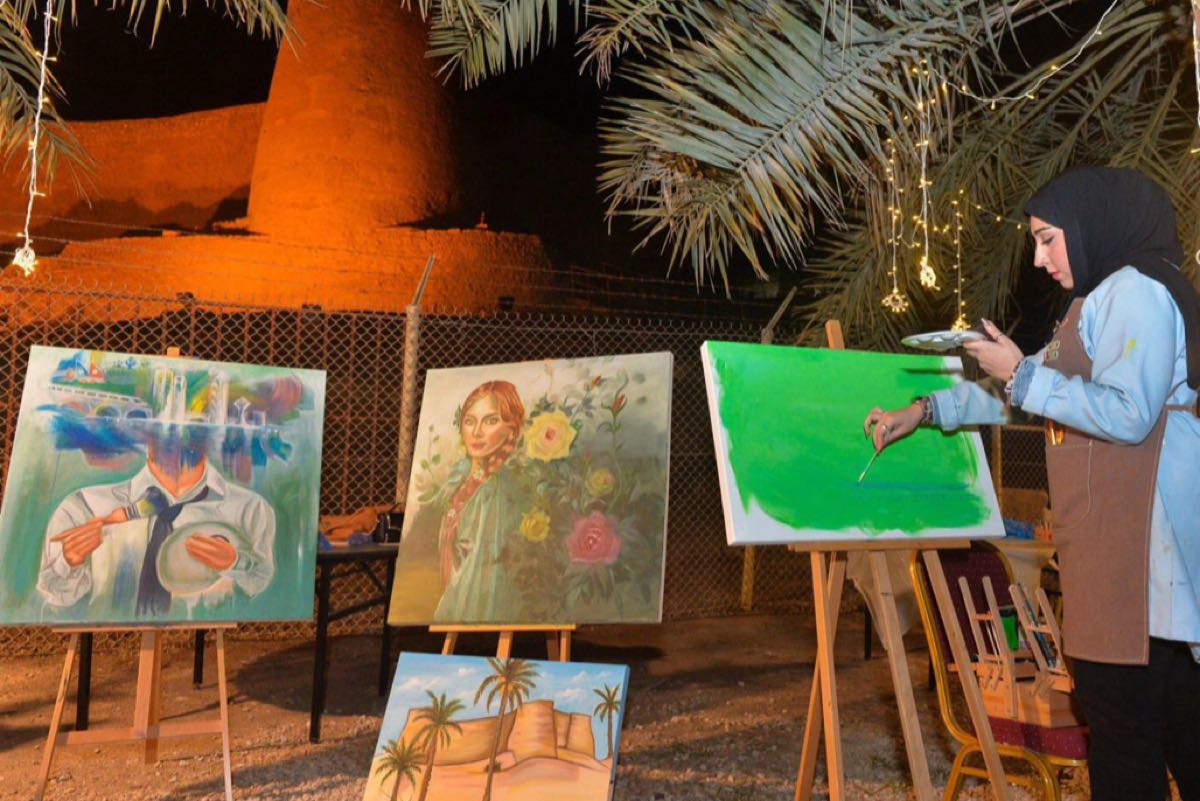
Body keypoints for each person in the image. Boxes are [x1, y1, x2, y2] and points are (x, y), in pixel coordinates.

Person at [864, 167, 1200, 801]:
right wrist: (927, 410)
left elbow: (1129, 412)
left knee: (1131, 745)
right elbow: (1025, 391)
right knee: (1169, 729)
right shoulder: (1097, 301)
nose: (1040, 259)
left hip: (1141, 568)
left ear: (1092, 224)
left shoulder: (1136, 291)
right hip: (1125, 566)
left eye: (1048, 239)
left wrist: (1020, 374)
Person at [38, 424, 276, 619]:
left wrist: (236, 562)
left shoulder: (249, 509)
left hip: (196, 640)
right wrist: (68, 562)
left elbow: (259, 582)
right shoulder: (83, 506)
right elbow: (54, 597)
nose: (178, 432)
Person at [432, 380, 528, 622]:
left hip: (476, 605)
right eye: (470, 421)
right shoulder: (459, 481)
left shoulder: (498, 492)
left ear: (511, 430)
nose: (476, 432)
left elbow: (485, 573)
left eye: (490, 421)